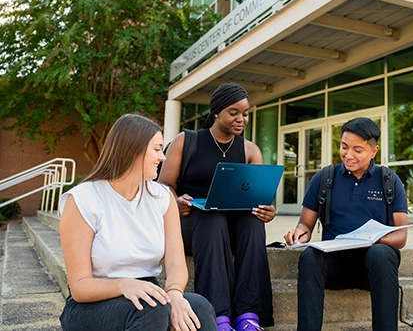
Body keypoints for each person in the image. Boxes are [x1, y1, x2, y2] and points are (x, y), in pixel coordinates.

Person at [59, 114, 216, 331]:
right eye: (157, 149)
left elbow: (176, 263)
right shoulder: (83, 199)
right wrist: (124, 285)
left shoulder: (162, 197)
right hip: (92, 304)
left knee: (197, 306)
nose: (163, 157)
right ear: (133, 150)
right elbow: (79, 287)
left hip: (149, 295)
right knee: (150, 307)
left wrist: (175, 294)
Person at [158, 83, 275, 331]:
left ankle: (248, 316)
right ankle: (218, 317)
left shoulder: (250, 150)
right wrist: (175, 201)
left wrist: (267, 210)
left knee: (253, 221)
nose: (241, 119)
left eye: (245, 113)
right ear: (216, 112)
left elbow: (256, 196)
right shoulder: (186, 141)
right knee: (213, 219)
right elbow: (164, 186)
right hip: (193, 226)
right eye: (234, 112)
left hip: (232, 231)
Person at [283, 117, 409, 331]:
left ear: (373, 151)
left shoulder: (389, 181)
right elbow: (305, 224)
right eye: (344, 147)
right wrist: (298, 234)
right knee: (310, 256)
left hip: (373, 269)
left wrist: (369, 241)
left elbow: (401, 237)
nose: (348, 155)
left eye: (357, 150)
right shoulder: (324, 178)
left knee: (381, 254)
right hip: (334, 267)